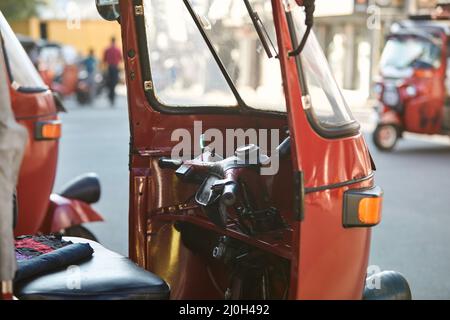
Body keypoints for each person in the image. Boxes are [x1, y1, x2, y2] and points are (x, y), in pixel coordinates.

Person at [103, 37, 122, 107]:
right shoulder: (118, 49)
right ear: (115, 41)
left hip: (109, 68)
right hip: (115, 67)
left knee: (109, 83)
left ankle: (111, 96)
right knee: (114, 83)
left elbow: (104, 60)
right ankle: (112, 97)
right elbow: (121, 59)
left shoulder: (107, 49)